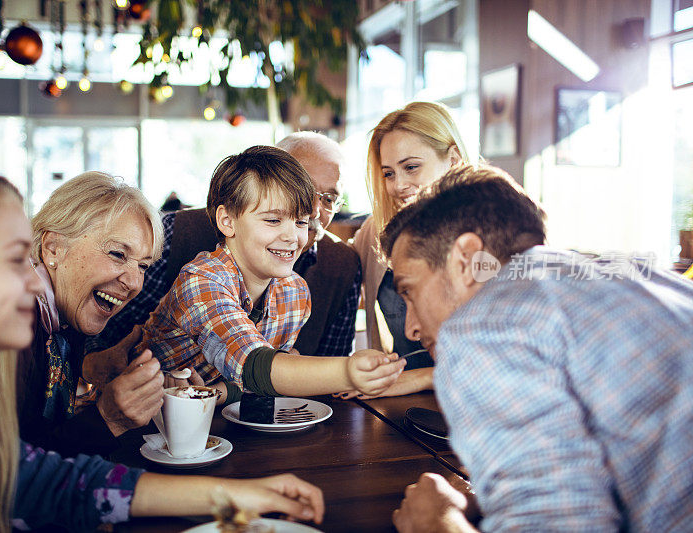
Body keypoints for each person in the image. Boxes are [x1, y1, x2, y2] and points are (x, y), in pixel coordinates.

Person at [0, 157, 325, 531]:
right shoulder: (20, 340)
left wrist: (240, 497)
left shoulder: (54, 337)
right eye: (13, 259)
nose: (31, 279)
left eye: (142, 264)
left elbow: (32, 478)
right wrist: (108, 415)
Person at [386, 164, 693, 532]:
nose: (412, 327)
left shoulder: (483, 327)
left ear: (466, 259)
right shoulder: (633, 276)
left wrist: (436, 523)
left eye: (409, 291)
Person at [137, 145, 404, 402]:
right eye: (273, 220)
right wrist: (348, 371)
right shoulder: (201, 281)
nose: (292, 236)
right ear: (227, 221)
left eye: (300, 221)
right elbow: (257, 367)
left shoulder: (295, 292)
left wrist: (215, 395)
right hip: (149, 425)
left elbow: (261, 382)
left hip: (221, 426)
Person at [89, 132, 361, 360]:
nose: (313, 210)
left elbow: (325, 378)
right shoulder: (181, 245)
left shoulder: (327, 274)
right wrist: (95, 364)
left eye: (328, 199)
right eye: (298, 190)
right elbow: (94, 329)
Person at [19, 171, 166, 457]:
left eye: (144, 266)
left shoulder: (67, 311)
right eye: (117, 254)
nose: (134, 283)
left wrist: (90, 369)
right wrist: (108, 418)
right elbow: (11, 473)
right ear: (53, 248)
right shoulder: (9, 323)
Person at [340, 101, 470, 399]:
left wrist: (422, 377)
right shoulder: (377, 230)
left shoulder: (496, 235)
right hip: (398, 404)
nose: (398, 185)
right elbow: (331, 263)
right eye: (388, 173)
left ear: (453, 160)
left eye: (411, 167)